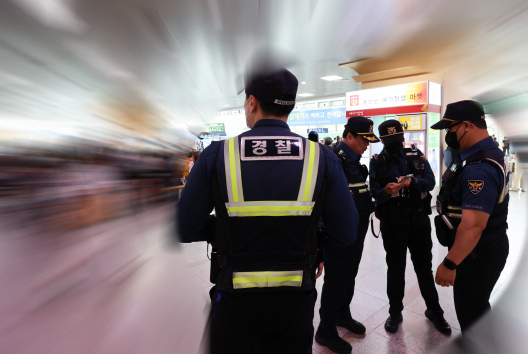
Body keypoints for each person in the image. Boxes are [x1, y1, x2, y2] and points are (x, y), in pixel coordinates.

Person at [177, 64, 359, 354]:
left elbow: (183, 228)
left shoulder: (217, 155)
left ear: (251, 102)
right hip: (294, 300)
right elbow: (347, 232)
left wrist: (223, 228)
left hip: (234, 299)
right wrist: (310, 237)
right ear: (290, 105)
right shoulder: (320, 157)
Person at [431, 100, 509, 333]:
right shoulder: (479, 154)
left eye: (450, 128)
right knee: (477, 309)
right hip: (481, 249)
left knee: (471, 314)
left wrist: (450, 263)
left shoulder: (479, 168)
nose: (448, 134)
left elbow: (474, 226)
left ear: (465, 126)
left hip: (477, 254)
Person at [369, 120, 451, 335]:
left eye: (396, 141)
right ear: (383, 142)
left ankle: (434, 310)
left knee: (423, 267)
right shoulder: (377, 161)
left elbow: (431, 182)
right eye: (389, 142)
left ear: (402, 138)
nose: (394, 146)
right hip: (392, 221)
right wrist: (386, 191)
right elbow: (374, 190)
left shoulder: (417, 155)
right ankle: (395, 311)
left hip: (418, 219)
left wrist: (410, 183)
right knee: (395, 268)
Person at [316, 117, 379, 353]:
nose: (366, 145)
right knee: (336, 280)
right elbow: (322, 201)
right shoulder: (334, 160)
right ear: (349, 136)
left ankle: (343, 314)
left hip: (356, 231)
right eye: (364, 140)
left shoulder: (353, 161)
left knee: (349, 276)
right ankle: (326, 329)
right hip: (338, 234)